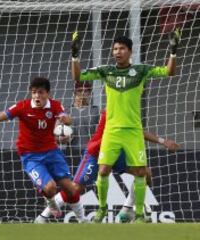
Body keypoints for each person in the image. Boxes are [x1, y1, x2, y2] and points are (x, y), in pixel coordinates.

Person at [70, 29, 180, 222]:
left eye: (121, 48)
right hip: (111, 132)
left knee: (140, 172)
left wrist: (172, 51)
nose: (117, 52)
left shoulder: (141, 71)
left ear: (130, 51)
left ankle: (138, 214)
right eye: (115, 49)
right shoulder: (106, 71)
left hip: (133, 132)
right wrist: (75, 56)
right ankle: (102, 210)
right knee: (103, 170)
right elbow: (78, 77)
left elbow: (169, 72)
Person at [0, 77, 83, 219]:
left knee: (72, 189)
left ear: (47, 93)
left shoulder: (55, 106)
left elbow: (66, 117)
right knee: (50, 188)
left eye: (40, 92)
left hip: (52, 153)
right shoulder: (22, 107)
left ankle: (83, 221)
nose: (37, 96)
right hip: (31, 156)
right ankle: (50, 201)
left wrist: (67, 120)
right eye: (34, 92)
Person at [34, 110, 179, 223]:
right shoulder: (109, 112)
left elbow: (138, 132)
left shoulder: (130, 111)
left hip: (117, 154)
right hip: (97, 154)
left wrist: (162, 141)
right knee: (75, 189)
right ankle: (43, 216)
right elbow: (133, 133)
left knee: (145, 173)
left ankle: (127, 210)